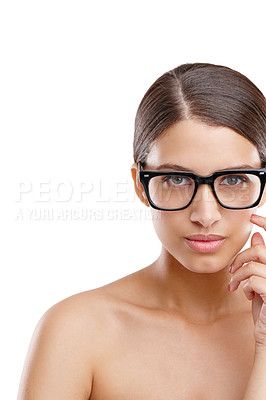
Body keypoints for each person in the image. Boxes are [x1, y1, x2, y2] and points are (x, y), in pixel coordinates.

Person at [17, 63, 266, 400]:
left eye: (233, 179)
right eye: (177, 179)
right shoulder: (75, 332)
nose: (205, 215)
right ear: (140, 184)